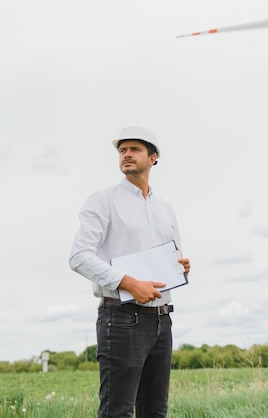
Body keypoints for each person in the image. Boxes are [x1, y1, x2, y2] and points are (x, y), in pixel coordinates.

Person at [69, 126, 190, 418]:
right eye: (122, 150)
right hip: (122, 319)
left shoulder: (166, 209)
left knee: (154, 412)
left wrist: (181, 267)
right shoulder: (103, 200)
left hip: (162, 321)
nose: (126, 154)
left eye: (134, 149)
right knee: (117, 412)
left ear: (153, 158)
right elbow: (78, 256)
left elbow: (174, 256)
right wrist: (129, 283)